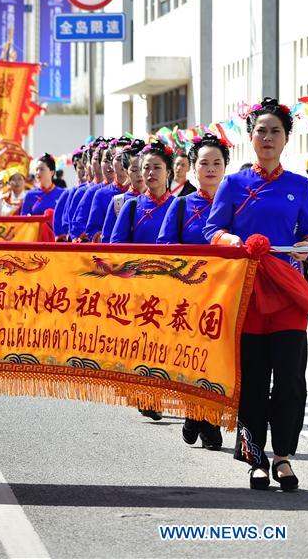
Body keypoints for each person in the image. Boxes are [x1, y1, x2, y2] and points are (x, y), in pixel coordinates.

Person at [203, 98, 308, 491]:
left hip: (286, 294)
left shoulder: (299, 186)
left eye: (275, 132)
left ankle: (283, 455)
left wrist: (305, 244)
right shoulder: (234, 184)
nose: (267, 138)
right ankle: (255, 457)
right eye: (261, 131)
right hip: (246, 293)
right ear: (250, 137)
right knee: (252, 379)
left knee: (290, 379)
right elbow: (211, 230)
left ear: (287, 139)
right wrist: (234, 239)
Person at [157, 133, 231, 451]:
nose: (211, 168)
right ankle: (193, 412)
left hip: (226, 295)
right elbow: (164, 245)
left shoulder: (236, 204)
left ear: (225, 167)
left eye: (217, 163)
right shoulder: (182, 204)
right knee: (194, 359)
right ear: (193, 169)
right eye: (204, 163)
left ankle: (210, 417)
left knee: (220, 359)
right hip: (190, 295)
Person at [110, 140, 176, 421]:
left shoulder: (180, 205)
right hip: (139, 286)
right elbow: (115, 246)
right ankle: (149, 394)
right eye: (146, 168)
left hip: (172, 286)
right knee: (145, 342)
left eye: (157, 168)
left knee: (168, 344)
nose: (150, 173)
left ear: (169, 172)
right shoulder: (132, 206)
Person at [101, 139, 146, 243]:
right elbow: (107, 240)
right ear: (126, 171)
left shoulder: (169, 202)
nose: (139, 174)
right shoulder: (118, 202)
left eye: (143, 168)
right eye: (134, 170)